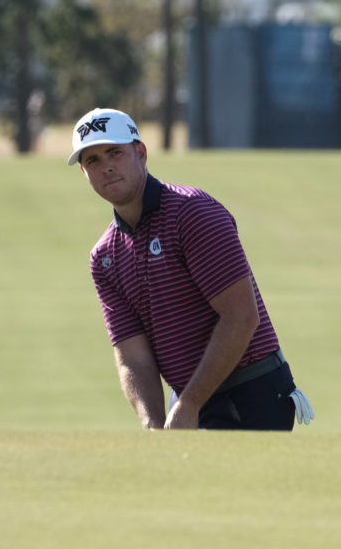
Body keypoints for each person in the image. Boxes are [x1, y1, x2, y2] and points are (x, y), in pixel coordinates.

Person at [70, 107, 313, 431]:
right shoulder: (104, 257)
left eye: (115, 152)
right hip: (189, 400)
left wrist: (189, 405)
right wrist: (154, 424)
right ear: (85, 173)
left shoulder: (191, 213)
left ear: (140, 153)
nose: (106, 167)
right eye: (93, 160)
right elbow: (133, 356)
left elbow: (241, 317)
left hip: (251, 392)